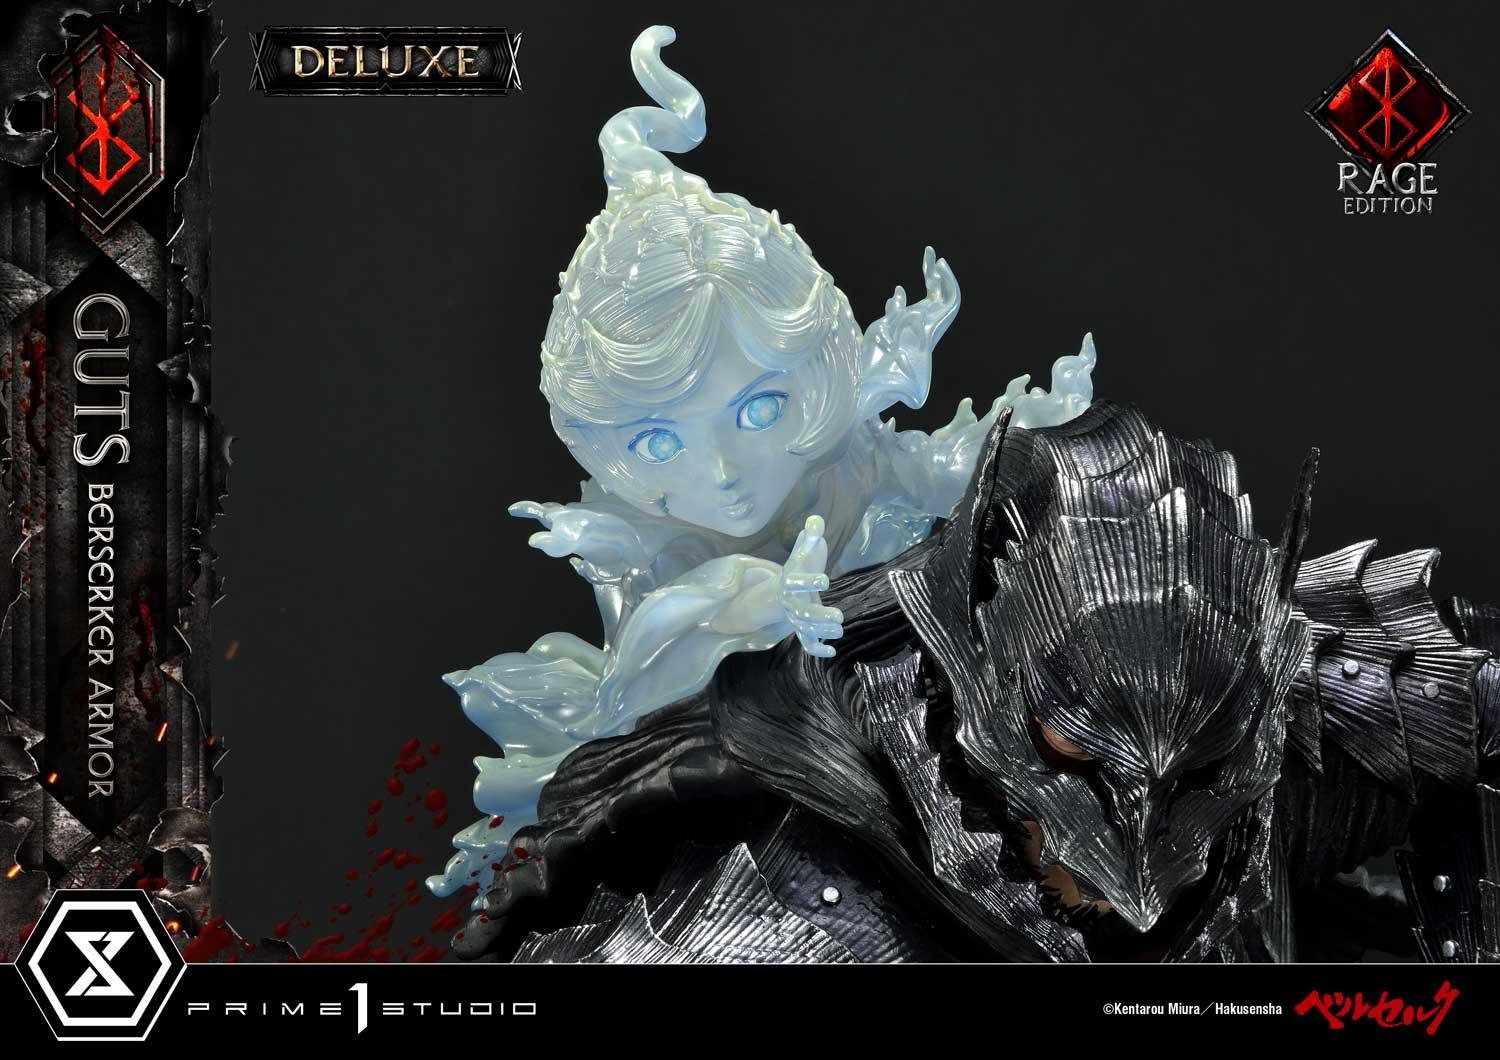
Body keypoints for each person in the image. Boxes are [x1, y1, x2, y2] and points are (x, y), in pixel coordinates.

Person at [429, 26, 1097, 900]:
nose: (722, 471)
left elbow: (951, 471)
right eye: (660, 442)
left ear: (816, 375)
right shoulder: (659, 549)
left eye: (758, 410)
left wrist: (1041, 423)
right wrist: (766, 597)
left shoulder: (851, 458)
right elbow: (647, 666)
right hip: (750, 809)